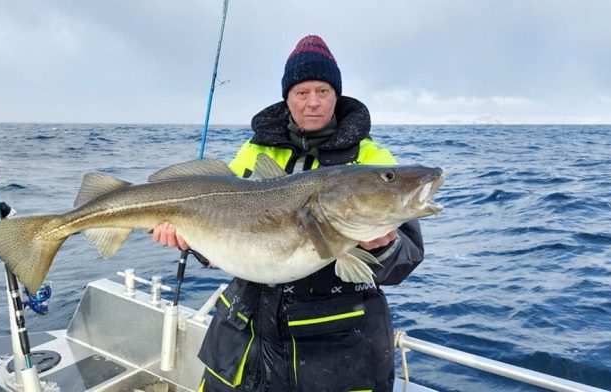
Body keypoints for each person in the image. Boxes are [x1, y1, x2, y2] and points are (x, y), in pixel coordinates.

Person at [152, 35, 425, 392]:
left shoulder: (372, 162)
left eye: (323, 91)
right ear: (287, 97)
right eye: (302, 92)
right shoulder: (255, 151)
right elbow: (225, 231)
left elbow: (406, 258)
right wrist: (192, 241)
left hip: (333, 353)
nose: (313, 102)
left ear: (336, 94)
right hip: (244, 344)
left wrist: (383, 246)